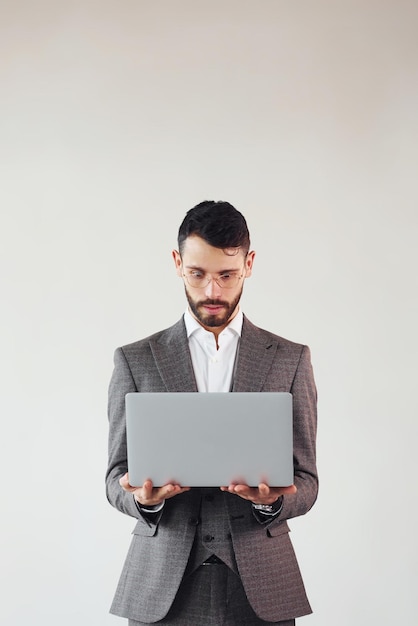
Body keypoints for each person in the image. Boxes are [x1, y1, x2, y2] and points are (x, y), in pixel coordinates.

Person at [106, 201, 318, 626]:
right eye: (197, 274)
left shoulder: (290, 360)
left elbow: (307, 480)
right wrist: (141, 501)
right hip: (162, 583)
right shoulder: (136, 360)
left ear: (249, 263)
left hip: (262, 586)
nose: (212, 292)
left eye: (227, 274)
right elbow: (115, 477)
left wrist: (272, 505)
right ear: (177, 262)